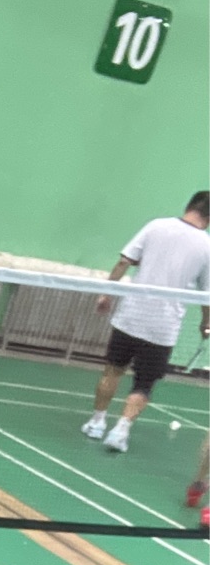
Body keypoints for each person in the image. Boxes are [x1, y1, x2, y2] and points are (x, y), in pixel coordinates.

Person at [83, 191, 210, 454]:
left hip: (130, 317)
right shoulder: (207, 246)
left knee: (112, 370)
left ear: (189, 206)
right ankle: (121, 431)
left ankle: (96, 422)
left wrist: (106, 293)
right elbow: (206, 296)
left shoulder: (156, 226)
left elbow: (124, 260)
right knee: (144, 383)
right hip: (163, 328)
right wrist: (206, 323)